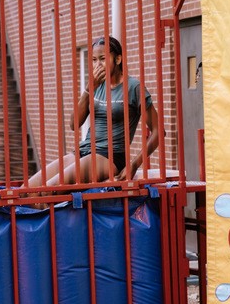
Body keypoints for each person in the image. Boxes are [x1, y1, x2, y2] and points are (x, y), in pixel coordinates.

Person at [25, 36, 159, 189]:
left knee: (49, 189)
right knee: (27, 189)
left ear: (118, 59)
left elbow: (158, 132)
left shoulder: (133, 87)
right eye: (94, 60)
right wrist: (89, 89)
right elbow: (74, 124)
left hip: (110, 156)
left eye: (102, 59)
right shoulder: (96, 85)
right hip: (84, 150)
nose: (97, 65)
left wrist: (133, 165)